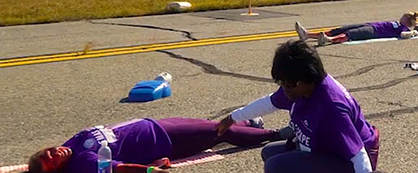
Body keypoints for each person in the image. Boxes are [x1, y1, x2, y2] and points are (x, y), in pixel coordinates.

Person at [215, 40, 380, 173]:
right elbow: (268, 103)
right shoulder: (301, 87)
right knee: (269, 152)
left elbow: (358, 155)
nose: (283, 90)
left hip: (348, 160)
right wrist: (232, 118)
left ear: (301, 83)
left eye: (286, 85)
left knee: (276, 166)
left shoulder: (331, 108)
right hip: (325, 148)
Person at [25, 117, 276, 173]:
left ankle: (250, 122)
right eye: (52, 159)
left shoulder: (68, 146)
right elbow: (119, 169)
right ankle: (275, 133)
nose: (55, 152)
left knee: (212, 125)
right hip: (163, 140)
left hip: (156, 124)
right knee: (220, 131)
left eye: (49, 151)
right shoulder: (83, 163)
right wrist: (149, 170)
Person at [294, 12, 418, 46]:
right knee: (341, 29)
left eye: (403, 16)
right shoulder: (397, 23)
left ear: (407, 20)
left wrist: (413, 32)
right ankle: (307, 35)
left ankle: (328, 40)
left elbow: (404, 35)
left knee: (350, 34)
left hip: (374, 32)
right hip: (369, 25)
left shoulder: (403, 28)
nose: (401, 17)